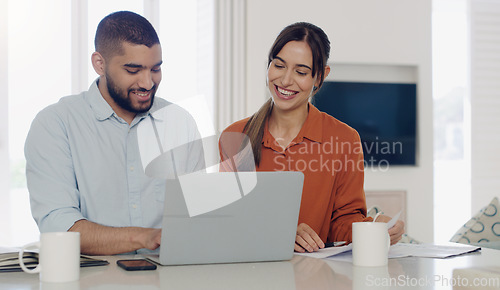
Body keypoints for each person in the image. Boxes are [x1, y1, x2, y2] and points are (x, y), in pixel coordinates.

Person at [25, 11, 204, 255]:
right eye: (133, 70)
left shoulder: (181, 122)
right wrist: (144, 237)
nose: (148, 83)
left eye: (155, 69)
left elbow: (199, 216)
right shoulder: (56, 124)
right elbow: (58, 226)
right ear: (100, 64)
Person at [220, 22, 404, 253]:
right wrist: (281, 232)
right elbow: (228, 221)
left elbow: (343, 222)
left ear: (320, 77)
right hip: (252, 271)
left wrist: (376, 227)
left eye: (301, 72)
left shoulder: (345, 139)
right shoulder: (235, 137)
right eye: (279, 65)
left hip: (315, 276)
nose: (285, 80)